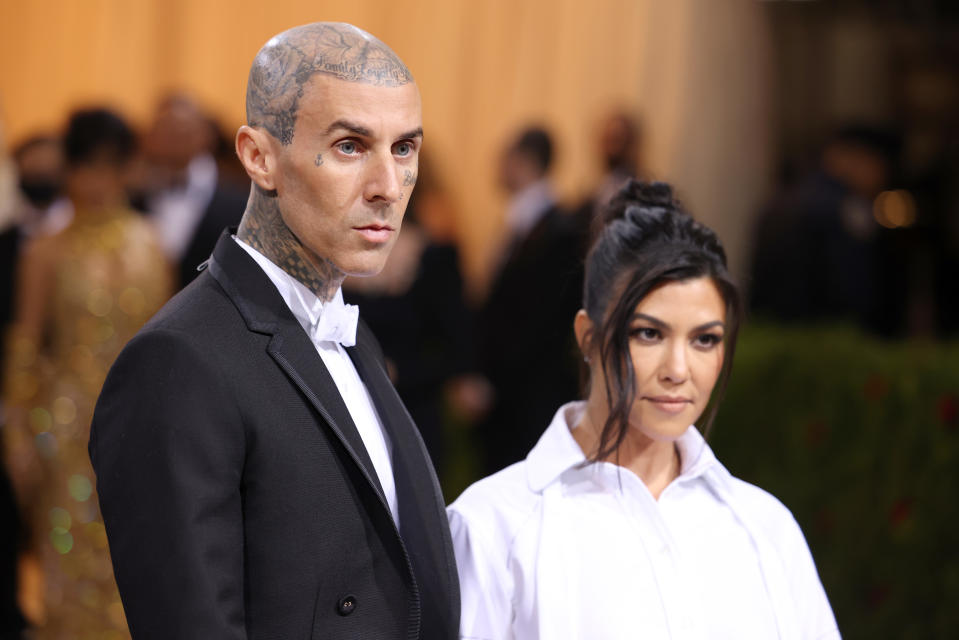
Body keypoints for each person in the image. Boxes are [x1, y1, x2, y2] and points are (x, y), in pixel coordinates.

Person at [89, 22, 459, 639]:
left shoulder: (350, 335)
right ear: (259, 157)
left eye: (403, 149)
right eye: (349, 146)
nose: (389, 188)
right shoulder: (176, 362)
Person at [448, 180, 840, 639]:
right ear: (588, 337)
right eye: (648, 334)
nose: (679, 370)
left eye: (704, 339)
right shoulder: (493, 527)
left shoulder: (766, 529)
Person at [3, 108, 172, 638]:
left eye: (110, 167)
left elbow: (171, 347)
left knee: (139, 564)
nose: (98, 183)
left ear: (129, 169)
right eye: (86, 167)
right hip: (67, 432)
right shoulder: (45, 252)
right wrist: (18, 436)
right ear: (68, 170)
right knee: (69, 570)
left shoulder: (152, 245)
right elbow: (25, 348)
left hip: (142, 427)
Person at [478, 126, 583, 475]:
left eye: (506, 158)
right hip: (511, 392)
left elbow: (540, 316)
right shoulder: (520, 219)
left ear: (525, 161)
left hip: (530, 392)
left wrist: (492, 377)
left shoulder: (560, 229)